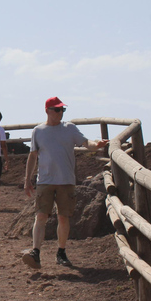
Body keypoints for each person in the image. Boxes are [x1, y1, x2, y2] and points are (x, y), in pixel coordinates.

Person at [22, 97, 109, 269]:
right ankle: (35, 252)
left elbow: (85, 142)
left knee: (63, 217)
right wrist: (27, 179)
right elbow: (32, 156)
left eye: (62, 110)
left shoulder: (69, 128)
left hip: (66, 180)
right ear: (47, 110)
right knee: (40, 216)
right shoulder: (38, 131)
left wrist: (96, 145)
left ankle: (61, 251)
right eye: (57, 109)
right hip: (45, 180)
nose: (60, 113)